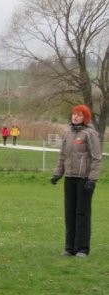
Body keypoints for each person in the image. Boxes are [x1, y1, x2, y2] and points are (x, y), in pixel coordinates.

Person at [50, 104, 101, 258]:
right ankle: (70, 248)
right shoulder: (67, 133)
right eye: (74, 114)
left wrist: (92, 179)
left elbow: (96, 158)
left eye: (79, 115)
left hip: (84, 180)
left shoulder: (90, 134)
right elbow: (62, 156)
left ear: (85, 118)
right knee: (70, 213)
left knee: (82, 214)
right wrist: (57, 174)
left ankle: (82, 249)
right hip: (70, 179)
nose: (75, 117)